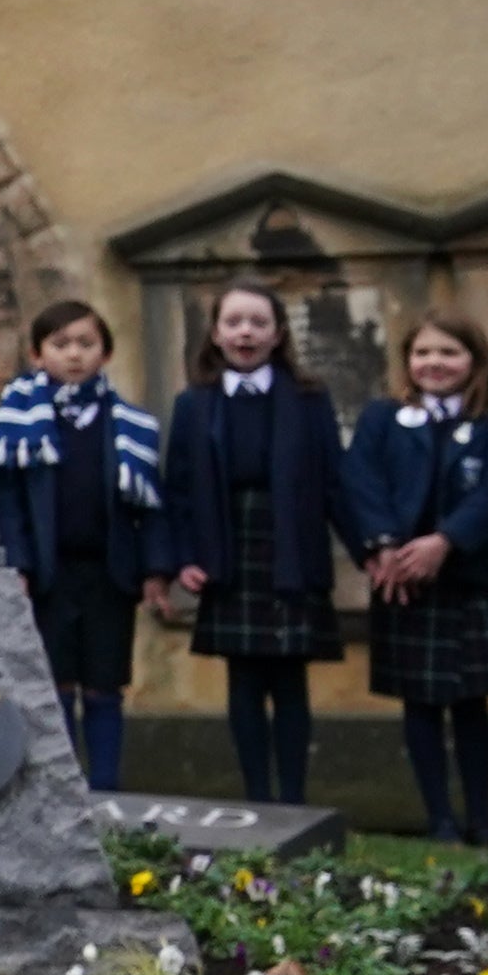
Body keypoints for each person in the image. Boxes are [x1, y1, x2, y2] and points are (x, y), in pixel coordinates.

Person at [152, 281, 345, 807]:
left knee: (289, 682)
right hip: (227, 549)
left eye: (258, 322)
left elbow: (335, 481)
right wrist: (182, 559)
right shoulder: (194, 404)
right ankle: (257, 797)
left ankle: (294, 800)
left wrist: (374, 548)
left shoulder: (309, 398)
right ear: (215, 333)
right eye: (234, 322)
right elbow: (180, 490)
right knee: (243, 681)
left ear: (278, 333)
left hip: (290, 547)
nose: (246, 332)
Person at [342, 310, 488, 846]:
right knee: (420, 704)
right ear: (407, 362)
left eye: (449, 353)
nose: (434, 363)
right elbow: (361, 482)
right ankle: (440, 819)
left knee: (471, 705)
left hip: (463, 580)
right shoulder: (382, 418)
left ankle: (482, 819)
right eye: (423, 353)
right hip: (403, 583)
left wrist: (444, 541)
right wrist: (384, 545)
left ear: (475, 362)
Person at [0, 299, 159, 790]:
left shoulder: (128, 424)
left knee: (104, 686)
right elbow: (9, 503)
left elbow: (148, 508)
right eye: (60, 345)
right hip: (47, 575)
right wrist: (15, 564)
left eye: (86, 344)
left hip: (109, 574)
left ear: (105, 353)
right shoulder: (19, 423)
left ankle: (105, 787)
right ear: (37, 355)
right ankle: (58, 789)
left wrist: (153, 569)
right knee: (52, 684)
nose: (74, 355)